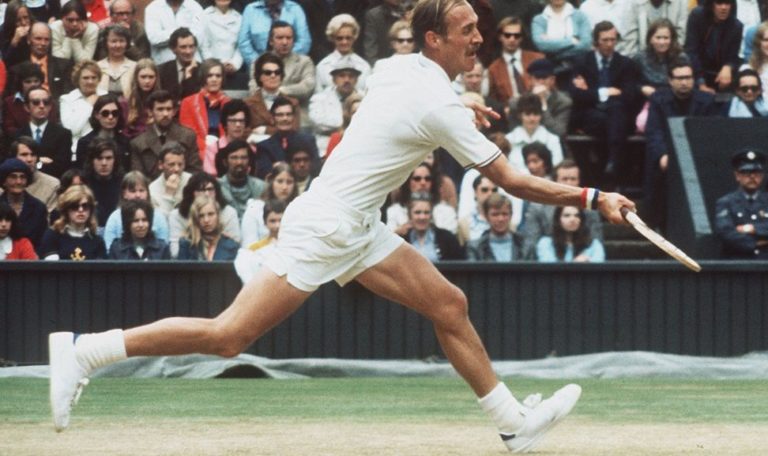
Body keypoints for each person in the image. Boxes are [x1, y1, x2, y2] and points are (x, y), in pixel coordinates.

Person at [49, 3, 634, 453]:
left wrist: (462, 107)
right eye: (467, 30)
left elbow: (408, 106)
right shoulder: (438, 104)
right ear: (434, 39)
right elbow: (512, 181)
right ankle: (86, 352)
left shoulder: (400, 69)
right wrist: (594, 196)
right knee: (228, 337)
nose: (478, 37)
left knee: (449, 304)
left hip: (357, 225)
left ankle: (512, 425)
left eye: (478, 28)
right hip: (326, 226)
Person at [644, 60, 717, 228]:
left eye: (688, 78)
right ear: (670, 80)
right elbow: (654, 131)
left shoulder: (706, 100)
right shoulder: (658, 99)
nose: (684, 82)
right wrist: (662, 155)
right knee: (655, 170)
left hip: (697, 155)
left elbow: (710, 133)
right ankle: (658, 226)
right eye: (679, 78)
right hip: (667, 154)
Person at [568, 21, 640, 178]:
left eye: (613, 40)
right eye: (605, 40)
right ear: (596, 41)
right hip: (590, 115)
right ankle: (614, 161)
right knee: (609, 120)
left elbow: (629, 96)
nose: (609, 44)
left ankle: (612, 163)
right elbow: (576, 94)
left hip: (617, 114)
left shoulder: (626, 64)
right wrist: (605, 92)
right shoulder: (582, 62)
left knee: (616, 112)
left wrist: (590, 92)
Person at [520, 159, 604, 259]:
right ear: (555, 181)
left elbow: (596, 242)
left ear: (579, 181)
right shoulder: (538, 207)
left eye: (573, 179)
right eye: (564, 179)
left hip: (583, 260)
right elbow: (531, 244)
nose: (569, 183)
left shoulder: (589, 208)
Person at [129, 90, 200, 180]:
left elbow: (195, 172)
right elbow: (138, 179)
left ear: (174, 111)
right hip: (152, 187)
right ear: (150, 112)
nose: (165, 114)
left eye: (168, 109)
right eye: (160, 109)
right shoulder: (138, 143)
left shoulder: (188, 136)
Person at [168, 172, 240, 258]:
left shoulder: (229, 212)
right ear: (191, 193)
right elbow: (175, 253)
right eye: (201, 190)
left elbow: (236, 245)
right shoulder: (176, 215)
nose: (206, 194)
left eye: (210, 189)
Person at [714, 148, 768, 259]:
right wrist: (756, 243)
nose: (752, 176)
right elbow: (725, 233)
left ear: (762, 176)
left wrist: (751, 228)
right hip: (737, 263)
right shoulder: (725, 202)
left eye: (756, 172)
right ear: (737, 176)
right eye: (746, 172)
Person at [634, 18, 689, 117]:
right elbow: (631, 82)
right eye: (658, 38)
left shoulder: (681, 58)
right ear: (650, 39)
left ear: (672, 39)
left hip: (677, 101)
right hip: (650, 101)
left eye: (666, 38)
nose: (662, 42)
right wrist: (642, 88)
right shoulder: (640, 58)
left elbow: (688, 82)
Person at [685, 0, 743, 94]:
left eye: (727, 3)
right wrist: (700, 82)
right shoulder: (697, 16)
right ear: (711, 5)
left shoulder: (736, 26)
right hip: (697, 70)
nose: (724, 7)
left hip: (721, 74)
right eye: (719, 3)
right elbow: (691, 51)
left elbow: (733, 56)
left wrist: (728, 67)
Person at [103, 171, 171, 250]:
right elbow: (109, 249)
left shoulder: (159, 217)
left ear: (147, 192)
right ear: (124, 194)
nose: (138, 195)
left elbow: (164, 247)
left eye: (141, 190)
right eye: (133, 191)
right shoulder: (114, 218)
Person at [179, 58, 231, 161]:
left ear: (222, 79)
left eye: (218, 76)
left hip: (225, 153)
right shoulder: (188, 102)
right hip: (197, 154)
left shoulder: (230, 104)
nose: (214, 79)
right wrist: (210, 151)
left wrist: (221, 151)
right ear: (203, 78)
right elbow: (189, 135)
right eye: (209, 75)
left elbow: (231, 134)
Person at [253, 97, 319, 178]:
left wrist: (278, 166)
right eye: (280, 115)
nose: (285, 118)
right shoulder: (264, 147)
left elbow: (315, 169)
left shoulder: (308, 141)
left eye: (288, 114)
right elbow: (265, 174)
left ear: (293, 117)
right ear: (273, 118)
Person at [39, 184, 107, 260]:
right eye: (75, 206)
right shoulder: (52, 236)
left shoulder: (97, 241)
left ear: (91, 210)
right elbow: (50, 266)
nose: (80, 210)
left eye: (85, 206)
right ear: (66, 209)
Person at [237, 0, 310, 70]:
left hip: (291, 67)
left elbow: (304, 41)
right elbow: (243, 42)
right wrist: (260, 62)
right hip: (258, 67)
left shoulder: (295, 9)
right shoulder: (250, 10)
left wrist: (287, 61)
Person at [487, 16, 544, 105]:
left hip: (538, 107)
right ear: (500, 37)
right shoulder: (493, 69)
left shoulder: (537, 59)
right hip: (510, 110)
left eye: (516, 36)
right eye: (507, 35)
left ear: (521, 38)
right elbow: (494, 101)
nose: (512, 39)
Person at [309, 57, 362, 154]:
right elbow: (318, 122)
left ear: (356, 80)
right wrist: (349, 124)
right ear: (334, 79)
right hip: (325, 147)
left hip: (358, 145)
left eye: (351, 76)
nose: (347, 80)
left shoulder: (365, 98)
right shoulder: (319, 99)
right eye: (342, 76)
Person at [509, 58, 572, 137]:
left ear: (552, 80)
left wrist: (543, 104)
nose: (541, 82)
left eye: (544, 78)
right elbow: (513, 132)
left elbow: (558, 132)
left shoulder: (563, 102)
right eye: (537, 78)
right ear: (530, 80)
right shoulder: (516, 102)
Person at [11, 22, 74, 100]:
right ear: (29, 39)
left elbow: (68, 95)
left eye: (47, 39)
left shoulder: (64, 66)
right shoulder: (17, 68)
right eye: (38, 39)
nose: (43, 43)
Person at [240, 162, 296, 246]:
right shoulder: (255, 208)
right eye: (280, 181)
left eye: (289, 182)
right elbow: (249, 245)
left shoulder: (299, 209)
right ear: (271, 181)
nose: (284, 187)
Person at [505, 94, 563, 174]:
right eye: (528, 114)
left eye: (536, 114)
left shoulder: (553, 139)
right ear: (520, 115)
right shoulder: (508, 140)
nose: (532, 118)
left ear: (541, 115)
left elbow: (556, 167)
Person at [243, 53, 297, 138]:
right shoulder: (247, 104)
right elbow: (244, 132)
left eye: (277, 72)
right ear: (259, 77)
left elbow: (294, 131)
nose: (273, 75)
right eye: (268, 73)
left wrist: (266, 130)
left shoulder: (293, 103)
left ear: (281, 76)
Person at [59, 60, 107, 154]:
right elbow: (71, 130)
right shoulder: (67, 99)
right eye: (85, 78)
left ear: (99, 79)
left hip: (104, 147)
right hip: (77, 150)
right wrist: (88, 105)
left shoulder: (106, 96)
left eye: (94, 77)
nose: (90, 81)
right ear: (77, 80)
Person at [314, 14, 371, 94]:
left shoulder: (364, 66)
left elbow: (368, 95)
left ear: (354, 38)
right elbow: (318, 95)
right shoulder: (322, 66)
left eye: (348, 38)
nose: (344, 42)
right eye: (339, 38)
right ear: (332, 38)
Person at [401, 192, 465, 262]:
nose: (422, 217)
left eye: (426, 212)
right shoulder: (401, 240)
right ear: (410, 215)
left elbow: (460, 265)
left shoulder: (447, 239)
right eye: (417, 212)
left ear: (431, 215)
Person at [0, 157, 48, 250]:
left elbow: (42, 242)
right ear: (4, 181)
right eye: (13, 177)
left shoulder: (38, 208)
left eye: (22, 177)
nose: (18, 181)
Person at [265, 21, 316, 107]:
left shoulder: (304, 62)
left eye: (289, 38)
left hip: (297, 110)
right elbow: (255, 90)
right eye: (280, 38)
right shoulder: (259, 63)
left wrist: (280, 91)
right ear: (271, 41)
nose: (285, 42)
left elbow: (308, 87)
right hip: (267, 110)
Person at [75, 94, 131, 171]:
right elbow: (82, 171)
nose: (110, 117)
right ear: (96, 115)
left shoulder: (125, 142)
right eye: (105, 113)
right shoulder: (85, 143)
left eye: (115, 113)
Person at [234, 198, 284, 283]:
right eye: (272, 221)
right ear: (265, 222)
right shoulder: (254, 248)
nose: (277, 225)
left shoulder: (294, 246)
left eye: (281, 220)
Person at [177, 194, 239, 260]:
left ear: (218, 215)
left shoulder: (232, 246)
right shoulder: (186, 244)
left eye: (210, 214)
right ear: (195, 218)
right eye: (201, 216)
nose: (206, 220)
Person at [215, 139, 265, 220]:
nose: (239, 162)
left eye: (244, 158)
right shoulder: (217, 187)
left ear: (249, 161)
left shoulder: (261, 186)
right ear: (225, 162)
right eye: (234, 158)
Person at [536, 205, 606, 262]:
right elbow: (548, 268)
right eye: (567, 215)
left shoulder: (594, 244)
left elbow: (599, 267)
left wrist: (588, 261)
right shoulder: (546, 243)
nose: (572, 219)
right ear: (558, 219)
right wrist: (576, 265)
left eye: (577, 215)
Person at [8, 136, 60, 212]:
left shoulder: (52, 185)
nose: (29, 159)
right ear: (13, 158)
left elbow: (50, 217)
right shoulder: (3, 184)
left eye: (33, 155)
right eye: (24, 155)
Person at [466, 193, 523, 261]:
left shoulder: (525, 245)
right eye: (495, 214)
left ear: (511, 215)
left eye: (504, 214)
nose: (500, 219)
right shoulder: (475, 247)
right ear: (486, 216)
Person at [144, 0, 203, 65]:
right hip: (163, 64)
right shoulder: (153, 8)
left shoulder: (195, 7)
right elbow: (154, 38)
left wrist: (166, 34)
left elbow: (198, 38)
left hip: (192, 63)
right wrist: (182, 31)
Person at [200, 0, 244, 87]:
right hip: (210, 70)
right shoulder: (204, 15)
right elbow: (204, 45)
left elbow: (240, 46)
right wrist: (214, 65)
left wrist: (234, 64)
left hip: (233, 70)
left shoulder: (239, 17)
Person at [203, 99, 253, 176]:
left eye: (241, 121)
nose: (238, 125)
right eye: (233, 121)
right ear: (225, 123)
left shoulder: (252, 149)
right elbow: (210, 177)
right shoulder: (213, 149)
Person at [623, 0, 688, 57]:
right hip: (641, 57)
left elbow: (680, 37)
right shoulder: (631, 3)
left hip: (671, 56)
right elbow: (630, 43)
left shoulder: (680, 2)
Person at [83, 137, 122, 230]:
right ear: (92, 160)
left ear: (115, 160)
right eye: (99, 158)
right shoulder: (83, 183)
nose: (104, 163)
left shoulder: (123, 183)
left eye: (108, 158)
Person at [157, 28, 202, 103]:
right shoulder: (162, 71)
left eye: (191, 46)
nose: (188, 51)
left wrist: (188, 78)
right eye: (183, 47)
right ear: (173, 49)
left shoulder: (202, 71)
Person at [149, 142, 191, 217]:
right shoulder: (152, 190)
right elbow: (162, 221)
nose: (177, 169)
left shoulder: (192, 181)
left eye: (180, 164)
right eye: (171, 164)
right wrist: (168, 194)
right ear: (160, 165)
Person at [122, 58, 160, 139]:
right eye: (143, 77)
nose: (147, 81)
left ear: (156, 78)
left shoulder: (161, 100)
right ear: (136, 78)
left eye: (151, 77)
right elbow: (124, 131)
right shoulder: (125, 102)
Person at [456, 174, 499, 245]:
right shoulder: (464, 224)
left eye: (494, 190)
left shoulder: (507, 221)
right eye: (484, 190)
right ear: (475, 192)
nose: (490, 194)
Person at [363, 0, 408, 65]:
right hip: (382, 62)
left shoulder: (408, 12)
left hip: (407, 61)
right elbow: (370, 51)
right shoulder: (373, 15)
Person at [96, 24, 136, 98]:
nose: (118, 45)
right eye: (113, 41)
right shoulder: (96, 67)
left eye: (121, 41)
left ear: (127, 43)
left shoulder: (135, 67)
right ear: (106, 43)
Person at [0, 0, 33, 67]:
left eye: (26, 17)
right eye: (18, 20)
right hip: (14, 68)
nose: (23, 23)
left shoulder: (35, 26)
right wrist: (14, 42)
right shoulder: (3, 31)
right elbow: (5, 62)